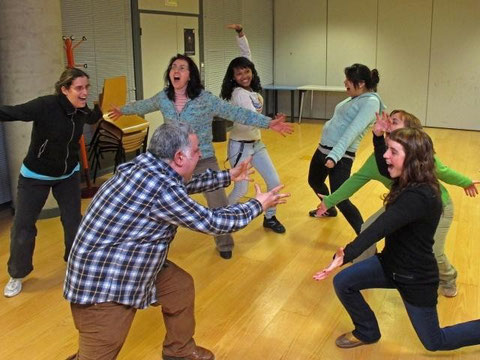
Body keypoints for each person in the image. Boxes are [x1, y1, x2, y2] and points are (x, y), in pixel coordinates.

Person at [64, 122, 289, 360]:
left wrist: (227, 176)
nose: (201, 154)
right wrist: (257, 205)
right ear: (179, 157)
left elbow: (183, 184)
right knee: (98, 353)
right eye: (196, 151)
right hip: (103, 283)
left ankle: (179, 351)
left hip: (131, 262)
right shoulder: (161, 188)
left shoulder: (145, 166)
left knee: (179, 288)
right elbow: (212, 222)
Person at [109, 54, 292, 259]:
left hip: (202, 157)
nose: (176, 71)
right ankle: (153, 245)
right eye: (173, 67)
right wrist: (122, 110)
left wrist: (268, 122)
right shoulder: (163, 97)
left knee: (218, 202)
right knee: (160, 203)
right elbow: (143, 105)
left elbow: (236, 113)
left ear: (190, 75)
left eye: (182, 68)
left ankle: (224, 243)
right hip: (172, 163)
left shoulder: (205, 99)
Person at [313, 127, 480, 351]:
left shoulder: (421, 196)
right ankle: (367, 331)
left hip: (415, 278)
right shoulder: (406, 181)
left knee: (434, 342)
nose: (385, 156)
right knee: (343, 282)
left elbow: (380, 227)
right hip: (389, 264)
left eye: (393, 151)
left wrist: (347, 254)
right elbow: (382, 166)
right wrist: (377, 137)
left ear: (411, 159)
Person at [316, 110, 478, 296]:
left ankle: (448, 277)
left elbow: (444, 171)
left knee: (433, 251)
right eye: (389, 121)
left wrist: (465, 181)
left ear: (410, 134)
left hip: (436, 206)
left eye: (394, 122)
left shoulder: (419, 154)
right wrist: (329, 201)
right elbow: (356, 180)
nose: (388, 124)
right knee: (368, 227)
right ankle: (360, 271)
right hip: (401, 202)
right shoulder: (380, 158)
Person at [0, 68, 102, 298]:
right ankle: (17, 274)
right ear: (64, 89)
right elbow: (13, 112)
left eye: (87, 87)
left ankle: (75, 265)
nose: (84, 92)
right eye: (79, 88)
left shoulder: (82, 110)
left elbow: (94, 116)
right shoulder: (45, 106)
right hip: (35, 176)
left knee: (74, 222)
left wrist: (103, 110)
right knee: (23, 226)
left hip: (68, 175)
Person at [220, 24, 285, 234]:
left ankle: (270, 217)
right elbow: (252, 118)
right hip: (240, 147)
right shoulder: (239, 94)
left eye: (246, 71)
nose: (244, 75)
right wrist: (271, 123)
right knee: (241, 188)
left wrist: (241, 34)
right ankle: (223, 220)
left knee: (274, 181)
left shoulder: (250, 88)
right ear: (233, 78)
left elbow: (246, 55)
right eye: (238, 74)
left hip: (256, 144)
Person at [307, 63, 385, 235]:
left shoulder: (371, 102)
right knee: (314, 181)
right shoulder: (354, 98)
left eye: (349, 80)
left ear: (362, 83)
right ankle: (329, 208)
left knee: (341, 198)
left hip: (340, 157)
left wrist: (334, 156)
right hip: (323, 150)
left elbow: (353, 130)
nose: (345, 83)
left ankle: (365, 241)